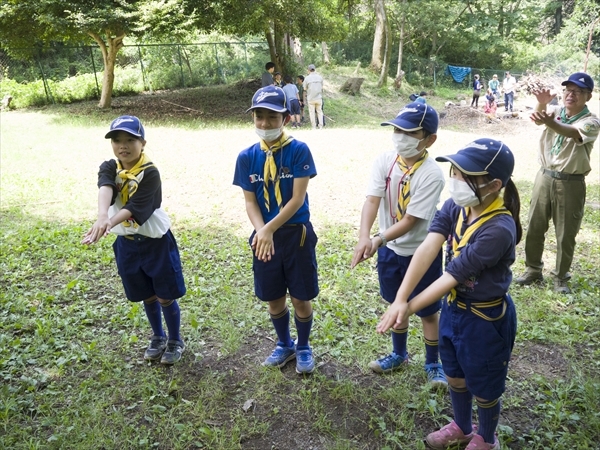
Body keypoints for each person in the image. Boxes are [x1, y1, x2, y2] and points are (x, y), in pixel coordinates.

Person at [377, 138, 521, 450]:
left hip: (485, 319)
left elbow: (453, 275)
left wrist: (408, 307)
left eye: (465, 175)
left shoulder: (499, 229)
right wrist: (401, 297)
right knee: (455, 374)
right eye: (455, 171)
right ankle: (462, 426)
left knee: (484, 385)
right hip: (455, 311)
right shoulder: (456, 206)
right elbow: (428, 246)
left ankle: (486, 437)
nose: (455, 179)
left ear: (494, 184)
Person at [351, 102, 446, 387]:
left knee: (428, 312)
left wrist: (378, 239)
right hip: (390, 253)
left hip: (421, 252)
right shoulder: (384, 161)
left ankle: (433, 363)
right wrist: (364, 236)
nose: (400, 136)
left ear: (430, 139)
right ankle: (399, 354)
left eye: (409, 132)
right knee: (396, 303)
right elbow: (372, 200)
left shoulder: (432, 174)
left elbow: (412, 221)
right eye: (396, 129)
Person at [82, 116, 186, 365]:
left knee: (164, 294)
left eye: (130, 139)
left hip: (155, 242)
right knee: (145, 294)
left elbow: (137, 206)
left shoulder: (150, 173)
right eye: (117, 140)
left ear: (143, 142)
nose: (123, 146)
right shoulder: (110, 167)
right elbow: (106, 187)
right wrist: (101, 216)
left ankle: (175, 339)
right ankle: (158, 337)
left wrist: (109, 221)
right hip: (127, 244)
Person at [233, 86, 319, 374]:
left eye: (272, 117)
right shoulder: (246, 157)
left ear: (286, 117)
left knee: (300, 296)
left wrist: (269, 229)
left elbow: (297, 199)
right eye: (259, 116)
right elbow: (249, 200)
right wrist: (262, 232)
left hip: (295, 234)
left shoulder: (298, 151)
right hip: (264, 236)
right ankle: (284, 343)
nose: (265, 123)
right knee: (273, 296)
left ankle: (304, 345)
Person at [515, 72, 600, 294]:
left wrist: (550, 121)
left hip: (570, 182)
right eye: (568, 90)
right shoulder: (556, 112)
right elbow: (539, 117)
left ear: (588, 96)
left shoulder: (591, 122)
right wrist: (542, 103)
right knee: (534, 226)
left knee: (565, 233)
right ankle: (533, 270)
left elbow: (571, 132)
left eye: (578, 91)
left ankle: (561, 277)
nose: (571, 95)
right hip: (544, 176)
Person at [303, 64, 324, 130]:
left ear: (309, 70)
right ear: (314, 69)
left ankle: (313, 127)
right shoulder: (320, 77)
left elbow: (304, 88)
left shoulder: (307, 78)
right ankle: (320, 126)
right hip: (319, 97)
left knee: (312, 112)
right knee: (319, 112)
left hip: (311, 98)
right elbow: (322, 86)